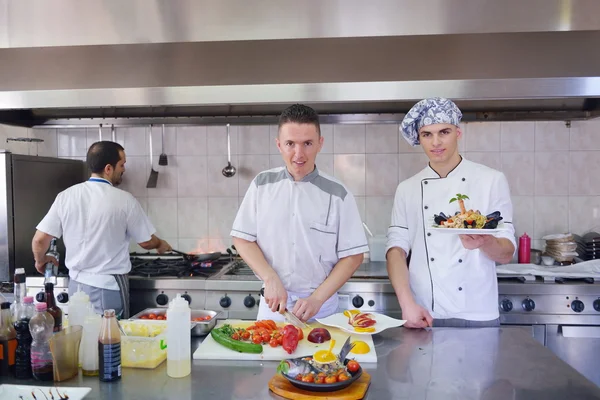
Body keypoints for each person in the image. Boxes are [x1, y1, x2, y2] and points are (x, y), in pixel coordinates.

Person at [386, 97, 516, 328]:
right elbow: (396, 249)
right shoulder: (407, 189)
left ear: (458, 132)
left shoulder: (491, 180)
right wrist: (407, 304)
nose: (436, 142)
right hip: (424, 310)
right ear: (419, 139)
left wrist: (485, 242)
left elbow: (506, 253)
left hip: (478, 311)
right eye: (427, 134)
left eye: (443, 132)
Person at [231, 104, 368, 322]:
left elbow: (353, 256)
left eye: (307, 143)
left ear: (320, 144)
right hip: (274, 308)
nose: (299, 154)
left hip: (321, 311)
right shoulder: (261, 184)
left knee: (322, 357)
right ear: (279, 145)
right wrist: (270, 278)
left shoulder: (338, 194)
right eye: (290, 144)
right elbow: (242, 238)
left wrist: (317, 299)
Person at [32, 141, 172, 318]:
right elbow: (146, 242)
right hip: (108, 288)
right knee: (110, 342)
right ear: (108, 168)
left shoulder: (66, 196)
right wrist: (160, 244)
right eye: (122, 165)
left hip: (76, 287)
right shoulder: (124, 200)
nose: (124, 169)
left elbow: (39, 240)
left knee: (82, 341)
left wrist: (40, 260)